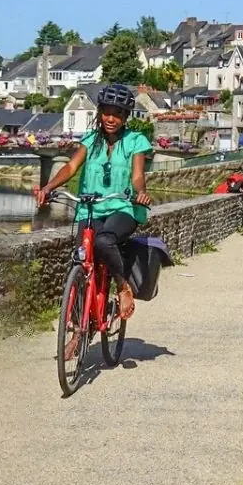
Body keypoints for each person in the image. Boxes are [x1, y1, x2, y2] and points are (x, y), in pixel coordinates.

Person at [35, 84, 153, 319]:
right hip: (90, 209)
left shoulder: (135, 141)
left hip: (122, 207)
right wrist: (48, 187)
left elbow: (137, 175)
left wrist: (140, 192)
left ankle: (121, 286)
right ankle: (76, 329)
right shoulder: (90, 140)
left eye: (118, 114)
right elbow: (70, 167)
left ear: (125, 116)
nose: (111, 119)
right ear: (99, 113)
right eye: (107, 112)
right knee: (80, 260)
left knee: (104, 242)